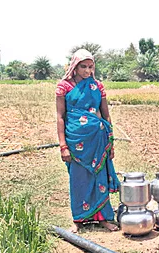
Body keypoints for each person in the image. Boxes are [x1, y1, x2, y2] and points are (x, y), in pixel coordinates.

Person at [56, 49, 120, 233]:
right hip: (76, 141)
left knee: (99, 177)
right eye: (83, 66)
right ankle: (78, 220)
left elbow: (106, 116)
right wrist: (63, 146)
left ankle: (103, 219)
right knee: (79, 179)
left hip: (98, 140)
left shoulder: (97, 86)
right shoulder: (64, 87)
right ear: (74, 67)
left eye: (90, 67)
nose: (87, 71)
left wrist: (111, 142)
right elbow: (60, 117)